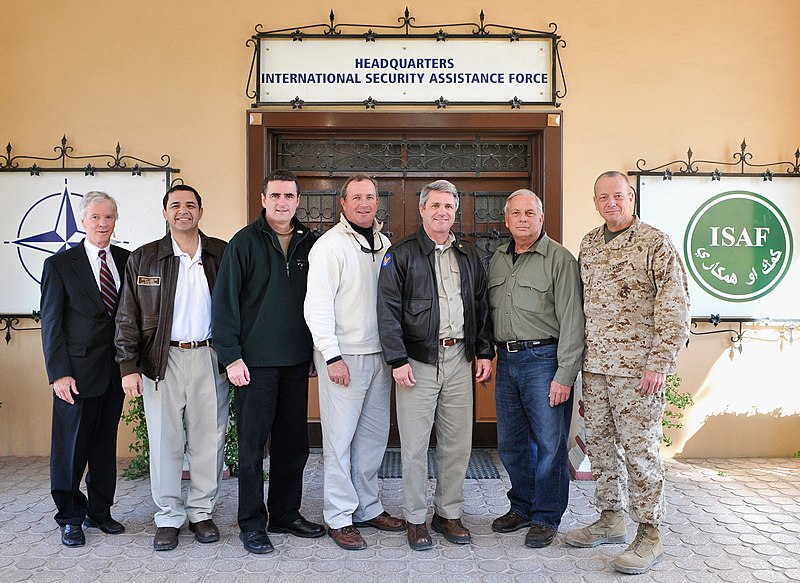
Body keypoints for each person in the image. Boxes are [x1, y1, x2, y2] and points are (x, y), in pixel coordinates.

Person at [565, 171, 691, 574]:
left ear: (631, 197)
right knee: (599, 448)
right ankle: (610, 519)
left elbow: (675, 307)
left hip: (638, 372)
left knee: (639, 452)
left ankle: (649, 533)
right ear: (596, 201)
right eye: (603, 197)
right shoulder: (588, 244)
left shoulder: (655, 242)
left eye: (618, 196)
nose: (611, 203)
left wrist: (659, 363)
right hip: (597, 368)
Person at [377, 179, 494, 551]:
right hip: (417, 361)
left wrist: (485, 351)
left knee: (458, 444)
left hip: (460, 357)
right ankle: (415, 518)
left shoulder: (468, 254)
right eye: (436, 205)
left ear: (455, 211)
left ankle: (448, 513)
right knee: (413, 447)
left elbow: (481, 306)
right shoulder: (402, 253)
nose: (443, 212)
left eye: (449, 206)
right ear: (423, 209)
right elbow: (387, 311)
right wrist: (396, 359)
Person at [212, 169, 325, 554]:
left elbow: (322, 302)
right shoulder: (243, 243)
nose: (282, 202)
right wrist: (231, 357)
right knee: (251, 448)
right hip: (253, 365)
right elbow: (224, 304)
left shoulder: (312, 243)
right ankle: (251, 522)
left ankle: (285, 514)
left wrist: (315, 352)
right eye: (275, 195)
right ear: (263, 199)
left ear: (297, 200)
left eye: (289, 196)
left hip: (296, 361)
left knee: (294, 445)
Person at [114, 184, 229, 551]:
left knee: (208, 440)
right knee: (166, 441)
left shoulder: (220, 253)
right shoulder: (144, 259)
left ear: (200, 211)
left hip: (210, 357)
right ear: (165, 212)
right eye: (175, 205)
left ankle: (201, 511)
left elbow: (239, 307)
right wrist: (128, 365)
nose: (183, 210)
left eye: (190, 205)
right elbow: (127, 316)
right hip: (161, 360)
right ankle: (168, 515)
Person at [303, 173, 405, 550]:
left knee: (373, 439)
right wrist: (331, 356)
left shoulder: (384, 243)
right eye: (356, 197)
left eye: (371, 197)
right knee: (340, 440)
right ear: (342, 204)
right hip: (343, 357)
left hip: (380, 355)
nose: (365, 203)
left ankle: (367, 506)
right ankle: (339, 515)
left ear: (378, 202)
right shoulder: (329, 246)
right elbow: (316, 306)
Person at [487, 190, 584, 548]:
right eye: (516, 213)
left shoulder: (559, 259)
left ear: (541, 218)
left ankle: (546, 515)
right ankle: (522, 506)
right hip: (507, 359)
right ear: (507, 219)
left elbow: (574, 319)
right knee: (511, 443)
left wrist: (565, 374)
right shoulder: (497, 258)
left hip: (545, 361)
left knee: (549, 444)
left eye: (530, 212)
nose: (523, 218)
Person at [40, 191, 129, 547]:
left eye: (108, 217)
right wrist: (59, 373)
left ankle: (99, 512)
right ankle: (70, 518)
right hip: (74, 375)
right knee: (71, 449)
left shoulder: (126, 259)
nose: (102, 224)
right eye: (95, 218)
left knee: (104, 446)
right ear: (82, 222)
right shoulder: (60, 265)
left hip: (114, 373)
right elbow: (51, 323)